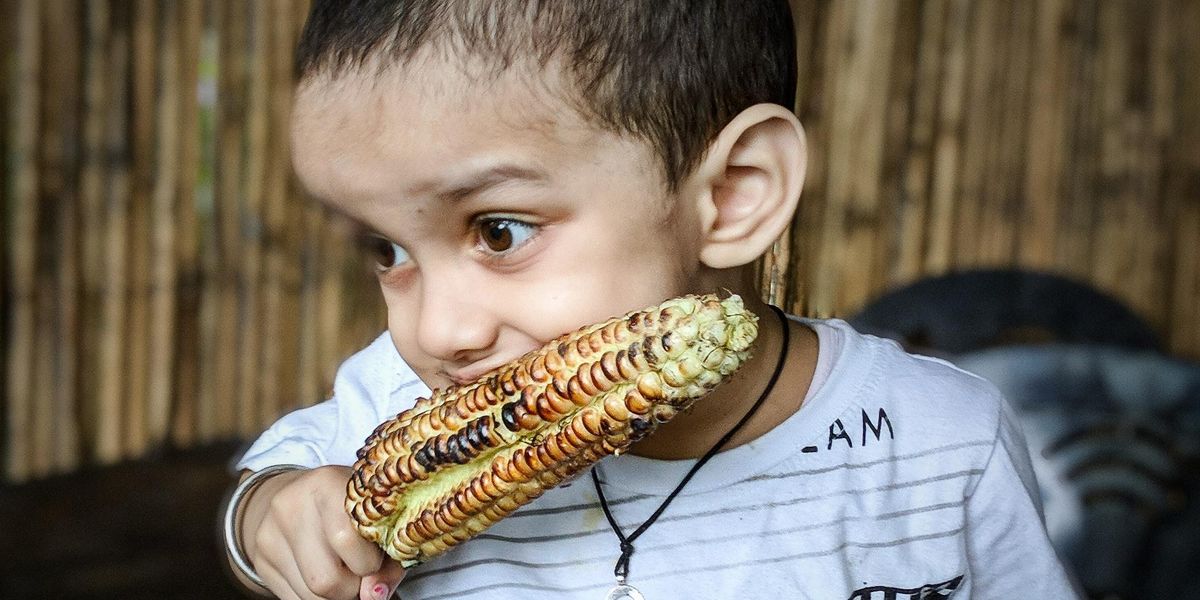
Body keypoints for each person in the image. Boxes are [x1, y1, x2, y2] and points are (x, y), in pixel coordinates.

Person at [224, 2, 1081, 599]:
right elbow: (264, 503)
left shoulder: (942, 446)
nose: (436, 332)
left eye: (499, 232)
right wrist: (275, 516)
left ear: (735, 194)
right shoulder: (393, 397)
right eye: (388, 251)